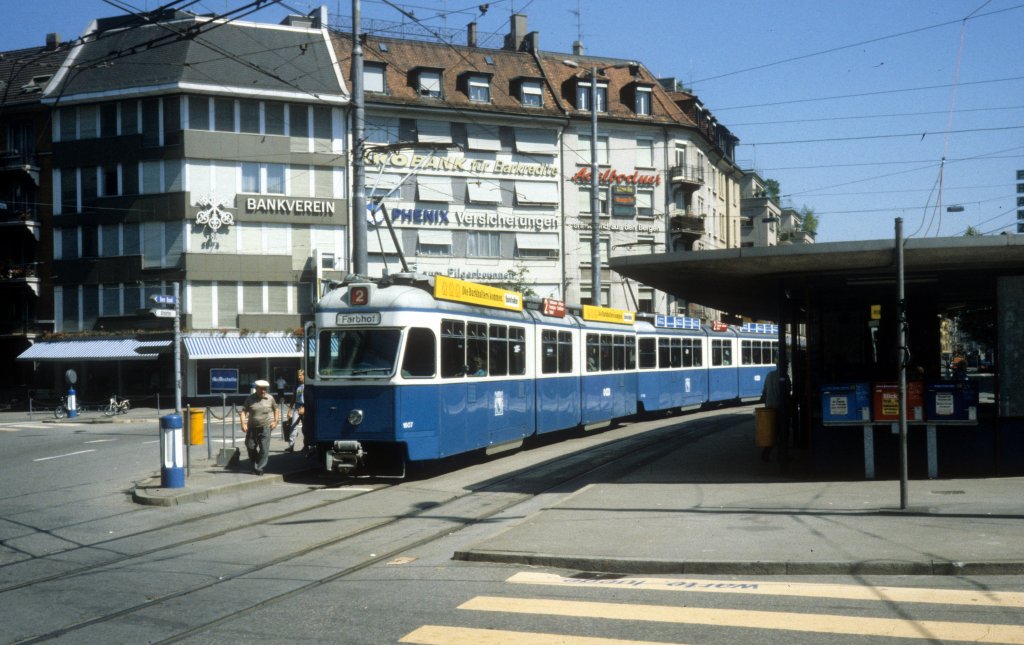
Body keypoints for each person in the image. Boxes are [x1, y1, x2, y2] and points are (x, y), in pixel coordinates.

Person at [240, 379, 279, 475]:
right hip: (252, 427)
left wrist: (275, 421)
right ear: (256, 388)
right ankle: (257, 461)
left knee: (264, 449)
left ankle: (259, 468)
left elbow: (276, 409)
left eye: (265, 389)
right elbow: (243, 412)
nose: (263, 391)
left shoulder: (270, 398)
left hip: (265, 427)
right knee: (250, 446)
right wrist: (243, 423)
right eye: (261, 389)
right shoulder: (250, 399)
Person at [285, 369, 305, 453]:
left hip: (304, 408)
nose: (299, 377)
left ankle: (307, 446)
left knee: (306, 428)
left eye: (300, 375)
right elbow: (294, 397)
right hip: (297, 407)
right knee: (293, 427)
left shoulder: (307, 386)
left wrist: (305, 408)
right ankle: (291, 446)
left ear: (304, 375)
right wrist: (289, 409)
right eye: (298, 375)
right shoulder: (297, 386)